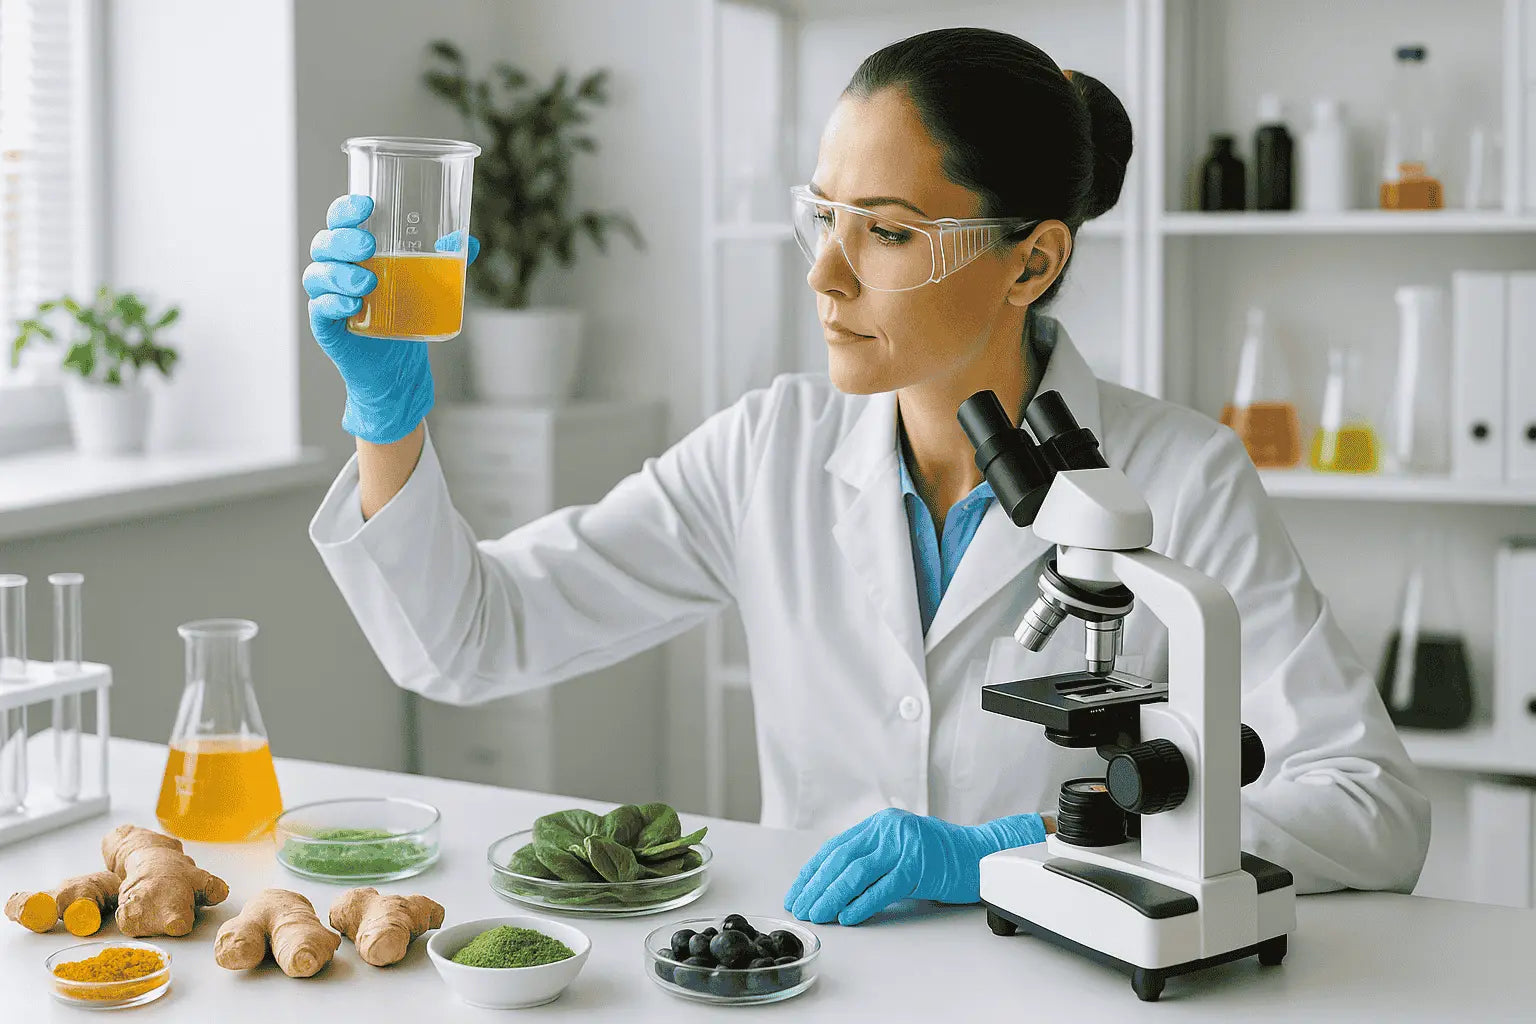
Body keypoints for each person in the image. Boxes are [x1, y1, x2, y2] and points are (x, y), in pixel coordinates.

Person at [304, 28, 1429, 927]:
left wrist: (1033, 844)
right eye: (823, 217)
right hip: (817, 975)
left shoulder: (1180, 474)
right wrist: (387, 419)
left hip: (1062, 975)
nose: (826, 276)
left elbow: (1372, 807)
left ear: (1031, 259)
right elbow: (469, 640)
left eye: (887, 234)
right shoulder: (767, 449)